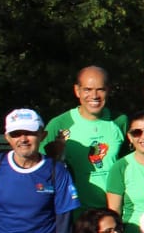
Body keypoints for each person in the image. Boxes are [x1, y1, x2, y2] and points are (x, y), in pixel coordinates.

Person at [45, 66, 127, 210]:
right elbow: (41, 167)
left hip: (113, 211)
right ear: (77, 90)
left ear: (108, 90)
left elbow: (130, 164)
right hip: (76, 213)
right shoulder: (59, 124)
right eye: (87, 90)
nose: (94, 96)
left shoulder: (120, 121)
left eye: (100, 89)